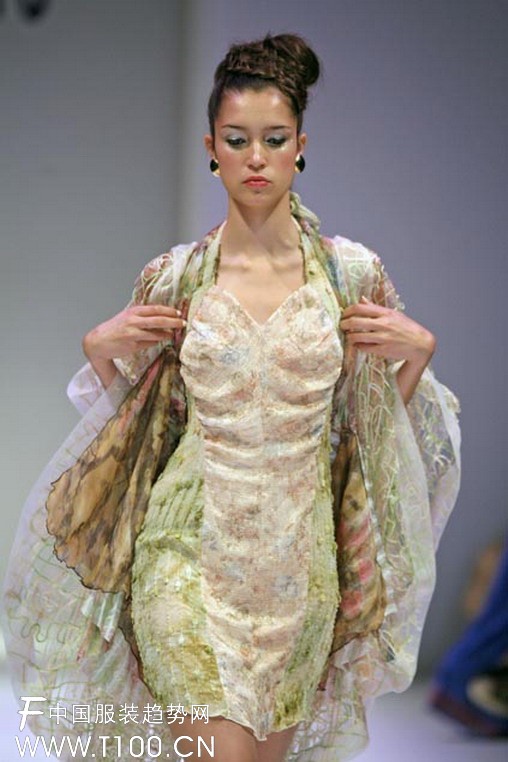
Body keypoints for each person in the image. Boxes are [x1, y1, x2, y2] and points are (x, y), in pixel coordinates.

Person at [1, 33, 461, 762]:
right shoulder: (177, 277)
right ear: (211, 147)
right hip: (183, 551)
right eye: (238, 139)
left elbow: (368, 433)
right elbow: (145, 428)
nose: (255, 158)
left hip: (298, 569)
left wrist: (418, 354)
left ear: (300, 146)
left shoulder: (349, 276)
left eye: (274, 139)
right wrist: (100, 350)